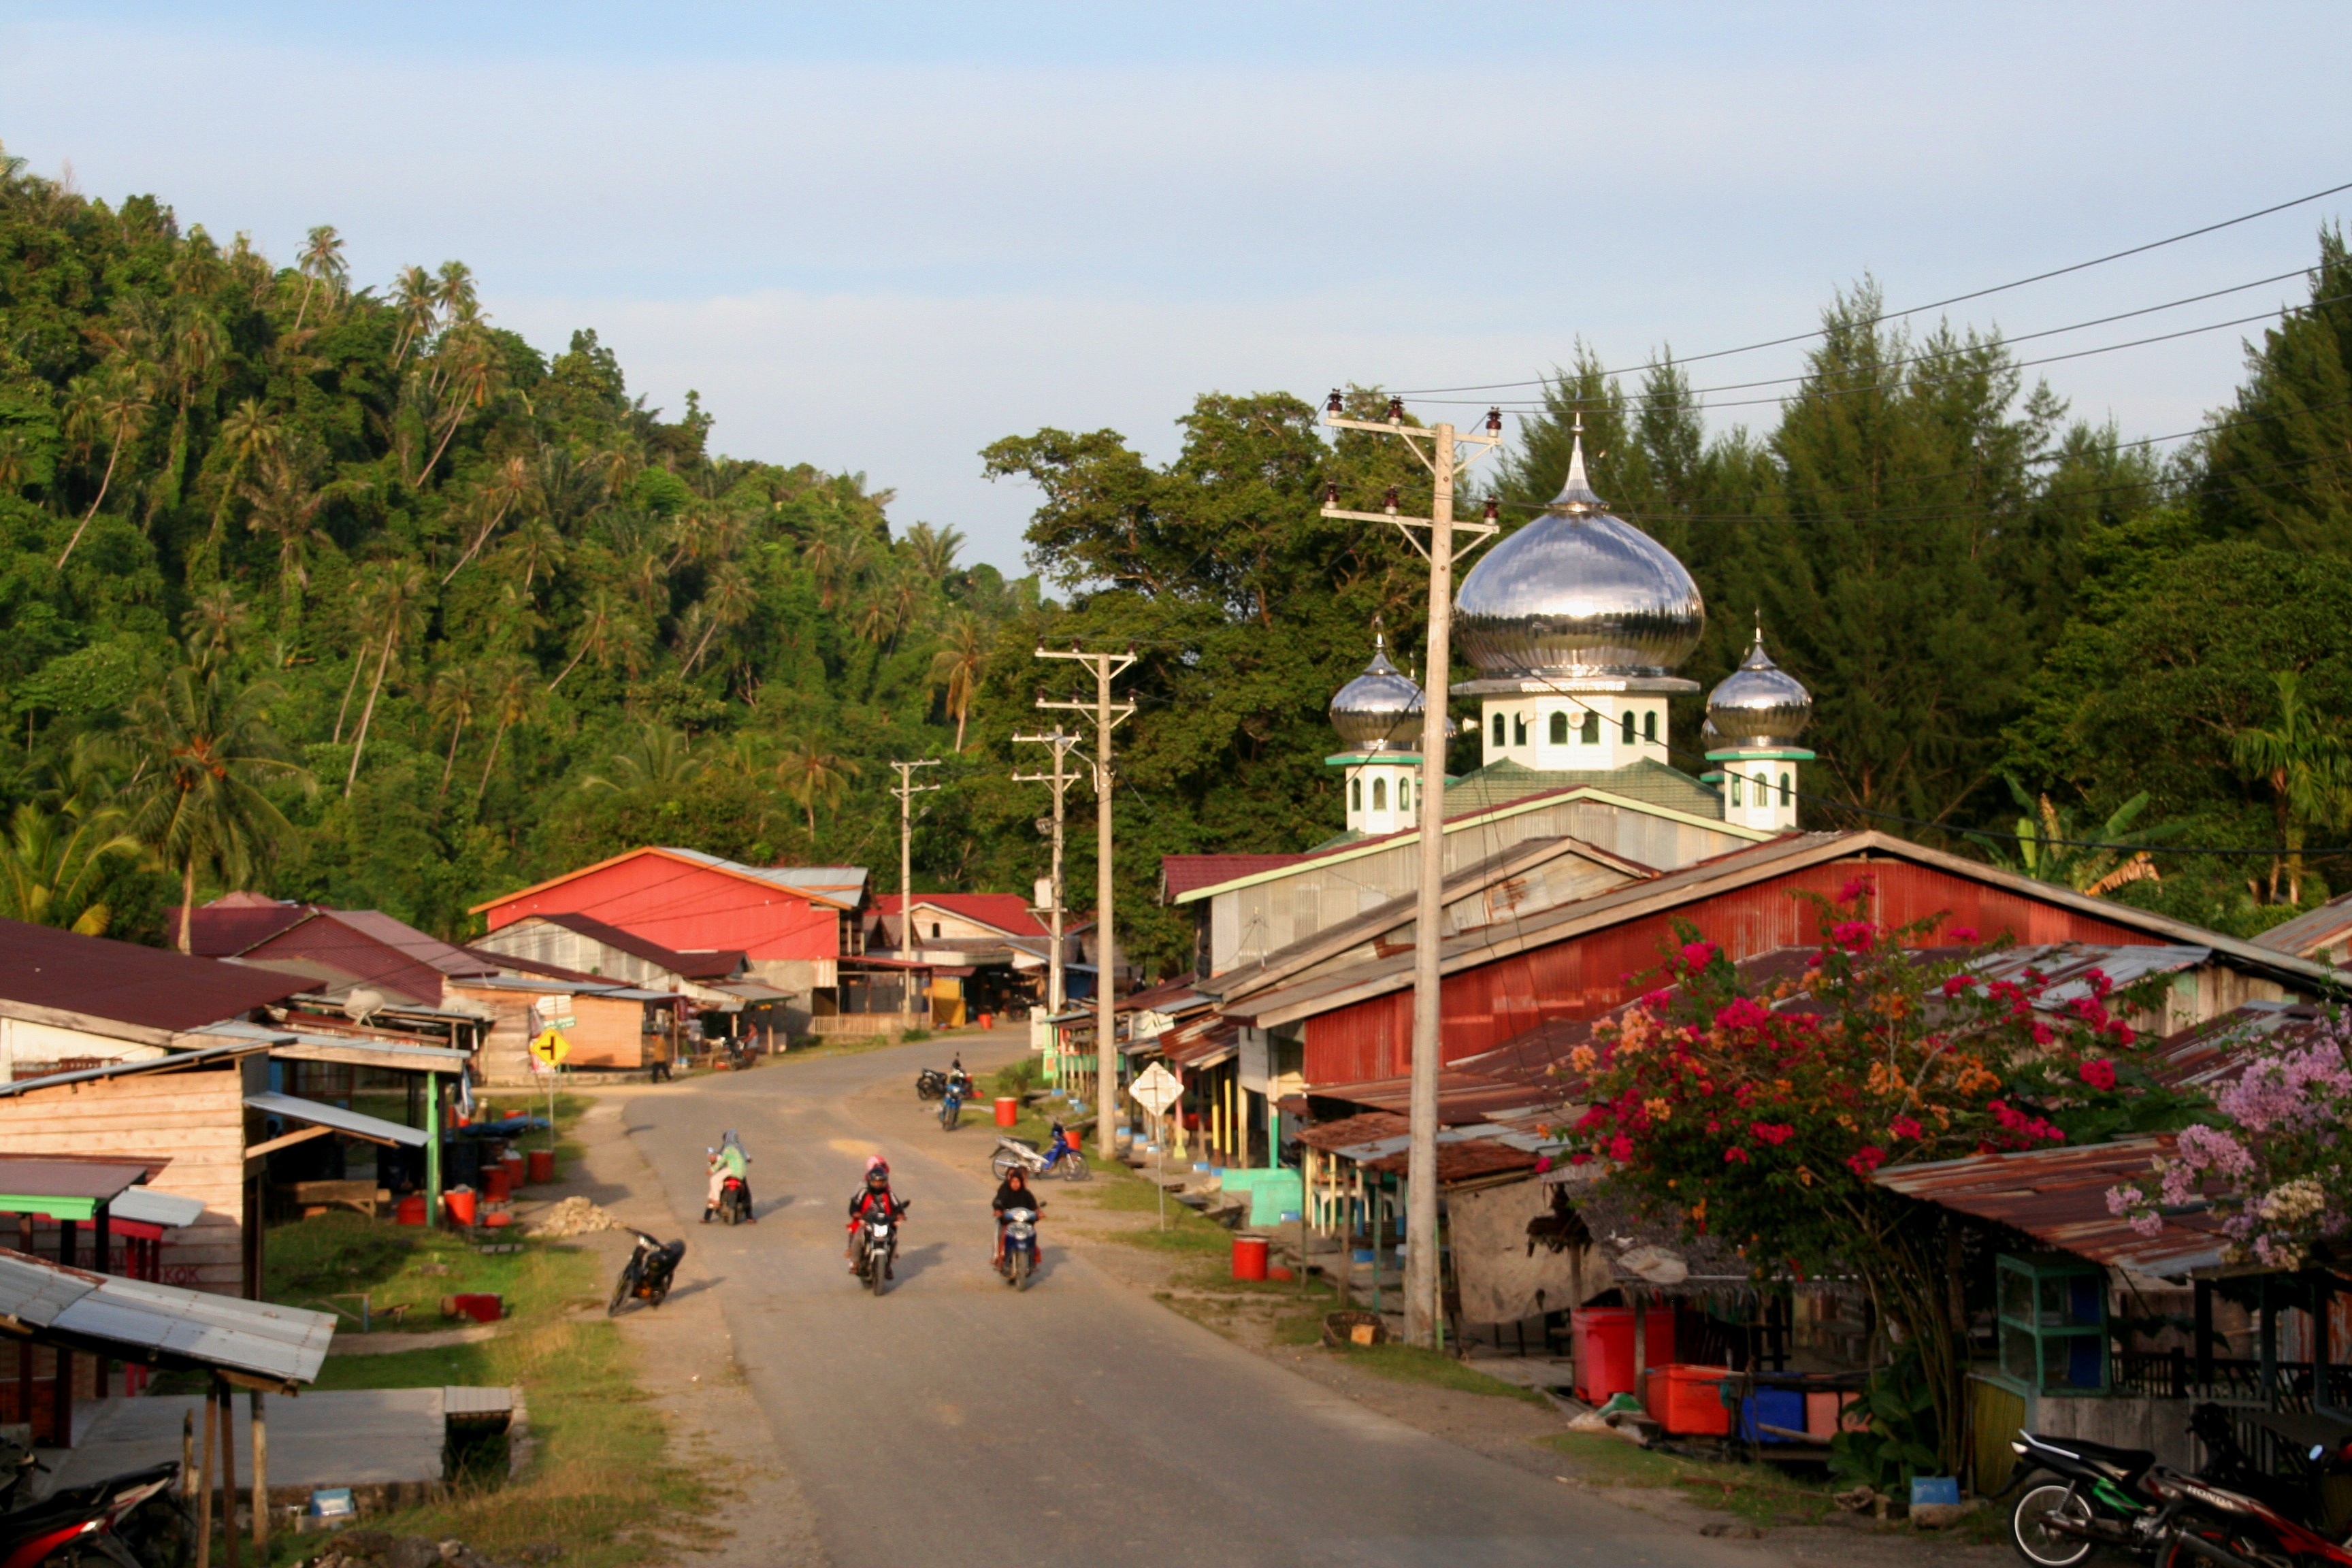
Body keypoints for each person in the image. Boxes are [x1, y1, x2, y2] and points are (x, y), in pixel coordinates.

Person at [845, 1155, 904, 1274]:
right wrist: (856, 1213)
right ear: (870, 1181)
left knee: (893, 1238)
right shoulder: (864, 1192)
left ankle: (888, 1265)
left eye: (880, 1182)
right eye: (875, 1182)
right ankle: (855, 1263)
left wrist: (900, 1214)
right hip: (867, 1222)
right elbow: (855, 1204)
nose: (878, 1185)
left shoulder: (888, 1194)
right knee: (859, 1238)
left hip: (884, 1222)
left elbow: (896, 1205)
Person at [992, 1167, 1043, 1269]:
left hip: (1025, 1223)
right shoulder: (1005, 1192)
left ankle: (1032, 1260)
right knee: (1003, 1237)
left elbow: (1034, 1207)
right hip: (1009, 1223)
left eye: (1018, 1181)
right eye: (1013, 1181)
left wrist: (1038, 1213)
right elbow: (998, 1201)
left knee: (1032, 1235)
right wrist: (998, 1210)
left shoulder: (1027, 1194)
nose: (1016, 1184)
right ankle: (1001, 1260)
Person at [704, 1130, 751, 1223]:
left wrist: (712, 1169)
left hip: (731, 1171)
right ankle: (750, 1217)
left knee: (714, 1183)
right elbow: (748, 1157)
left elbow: (721, 1161)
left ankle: (708, 1215)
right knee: (747, 1194)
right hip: (741, 1173)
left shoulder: (728, 1148)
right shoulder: (739, 1146)